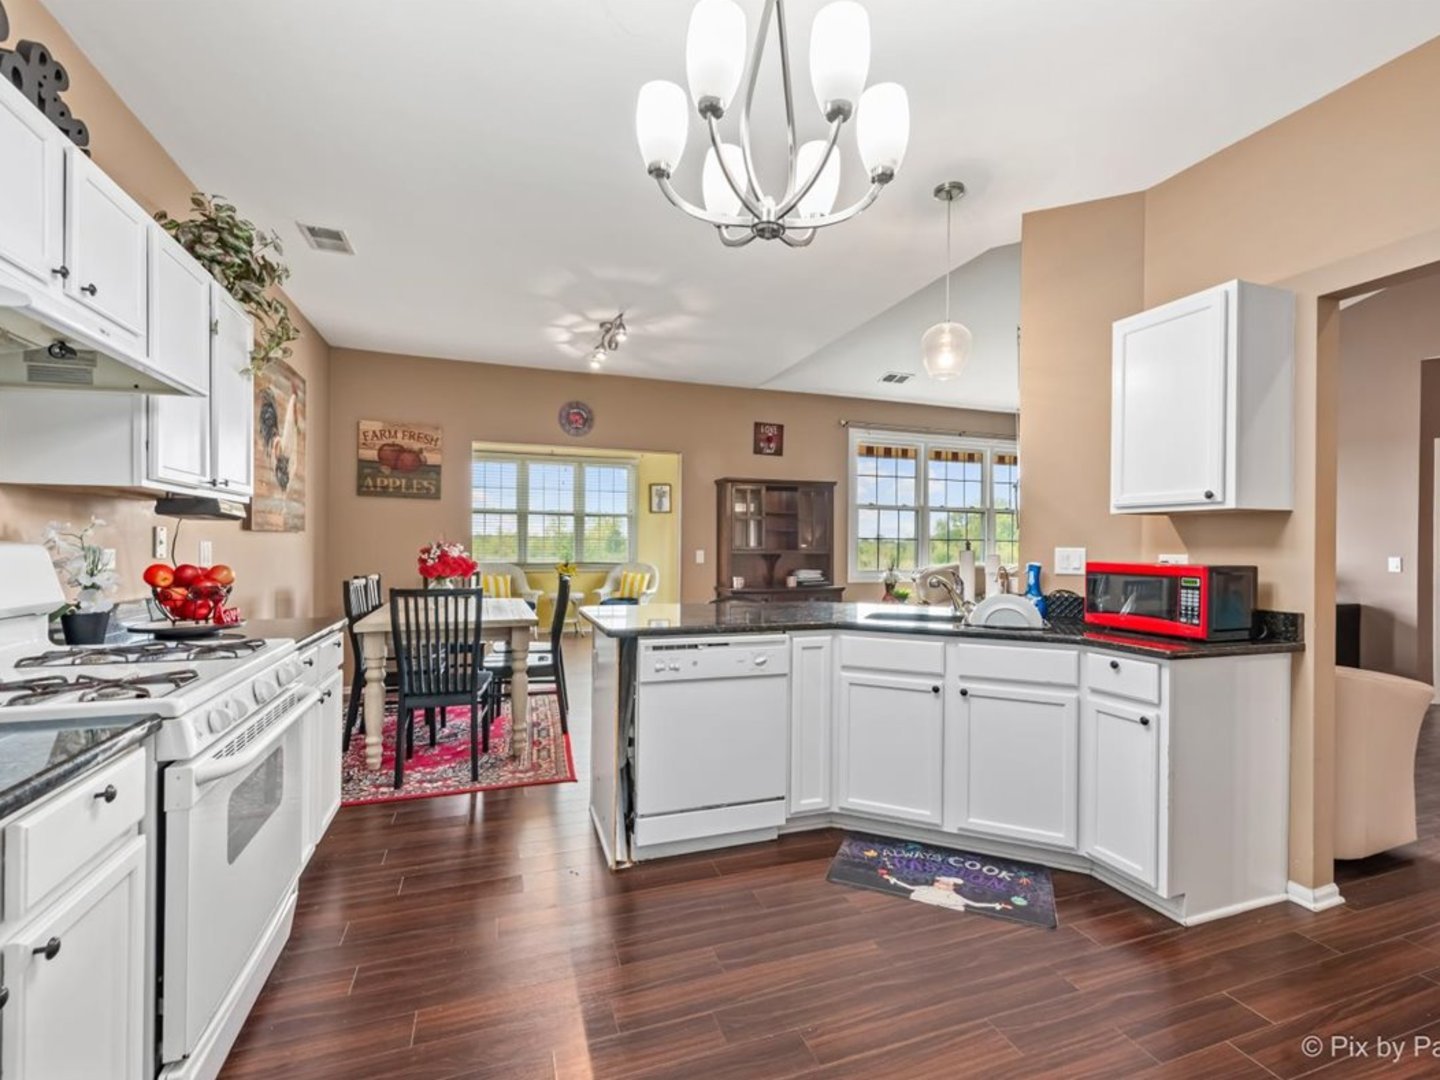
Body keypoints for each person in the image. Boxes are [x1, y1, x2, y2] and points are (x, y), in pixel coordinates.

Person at [878, 870, 1012, 915]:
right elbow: (909, 886)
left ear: (951, 887)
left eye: (944, 884)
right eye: (938, 882)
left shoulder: (955, 897)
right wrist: (892, 879)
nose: (939, 884)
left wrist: (998, 905)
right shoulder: (926, 889)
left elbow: (975, 904)